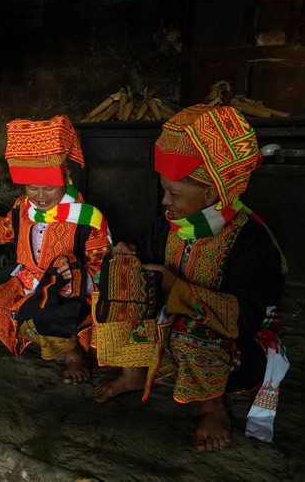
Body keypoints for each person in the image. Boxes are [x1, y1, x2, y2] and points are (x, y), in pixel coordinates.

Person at [92, 104, 288, 452]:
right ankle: (133, 373)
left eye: (175, 194)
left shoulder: (251, 241)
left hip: (236, 347)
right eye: (164, 190)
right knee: (117, 282)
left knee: (192, 332)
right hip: (173, 328)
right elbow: (147, 264)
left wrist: (176, 289)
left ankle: (211, 406)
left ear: (212, 194)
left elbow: (245, 319)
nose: (165, 201)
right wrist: (128, 259)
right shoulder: (170, 225)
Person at [0, 115, 112, 384]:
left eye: (49, 188)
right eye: (33, 188)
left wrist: (75, 274)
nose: (41, 196)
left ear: (65, 177)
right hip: (26, 282)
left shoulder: (86, 217)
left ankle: (73, 355)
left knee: (43, 311)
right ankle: (2, 335)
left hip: (67, 293)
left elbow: (101, 263)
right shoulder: (23, 209)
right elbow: (2, 231)